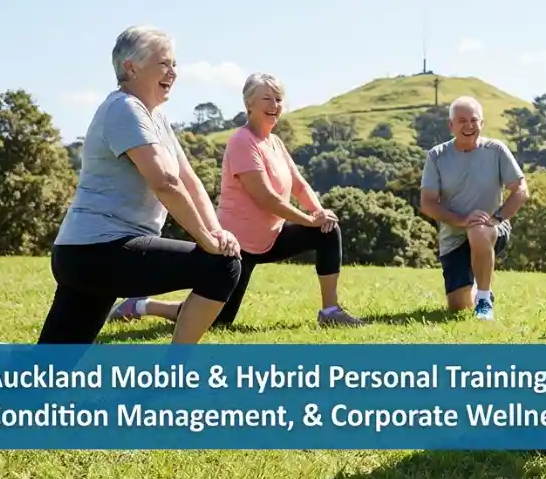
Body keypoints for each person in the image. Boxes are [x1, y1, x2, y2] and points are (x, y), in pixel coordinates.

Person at [36, 26, 242, 344]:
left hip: (82, 254)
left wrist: (216, 231)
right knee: (222, 266)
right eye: (164, 63)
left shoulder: (154, 116)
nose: (173, 72)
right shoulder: (125, 108)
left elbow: (189, 179)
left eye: (174, 64)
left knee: (46, 368)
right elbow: (166, 182)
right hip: (102, 251)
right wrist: (206, 240)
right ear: (131, 67)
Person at [109, 73, 363, 328]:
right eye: (267, 99)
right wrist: (307, 219)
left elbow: (298, 184)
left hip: (271, 237)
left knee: (327, 231)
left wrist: (319, 212)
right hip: (238, 246)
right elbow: (265, 197)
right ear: (249, 104)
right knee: (218, 320)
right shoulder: (242, 141)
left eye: (278, 99)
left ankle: (330, 311)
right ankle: (142, 305)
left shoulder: (274, 142)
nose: (274, 105)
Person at [419, 96, 529, 320]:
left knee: (478, 229)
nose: (469, 126)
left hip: (490, 229)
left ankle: (484, 299)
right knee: (458, 307)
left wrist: (497, 219)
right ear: (451, 125)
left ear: (481, 124)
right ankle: (478, 285)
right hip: (453, 236)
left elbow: (521, 189)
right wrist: (460, 220)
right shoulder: (437, 156)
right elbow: (427, 202)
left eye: (474, 120)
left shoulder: (496, 150)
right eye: (462, 121)